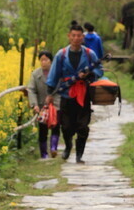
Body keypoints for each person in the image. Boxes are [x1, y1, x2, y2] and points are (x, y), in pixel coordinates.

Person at [44, 22, 103, 163]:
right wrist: (49, 94)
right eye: (73, 35)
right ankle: (68, 145)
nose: (76, 38)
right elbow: (53, 76)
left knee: (83, 126)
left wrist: (89, 74)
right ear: (69, 36)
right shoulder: (61, 55)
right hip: (66, 94)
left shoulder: (89, 54)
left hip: (84, 94)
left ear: (82, 37)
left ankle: (79, 155)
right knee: (66, 126)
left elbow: (99, 70)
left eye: (79, 36)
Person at [27, 50, 61, 159]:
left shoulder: (57, 73)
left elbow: (61, 87)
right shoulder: (35, 74)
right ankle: (44, 154)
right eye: (41, 60)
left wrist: (55, 100)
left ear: (51, 61)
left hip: (55, 105)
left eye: (46, 60)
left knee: (55, 126)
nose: (43, 62)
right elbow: (31, 90)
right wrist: (34, 104)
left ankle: (53, 148)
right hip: (42, 106)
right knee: (43, 130)